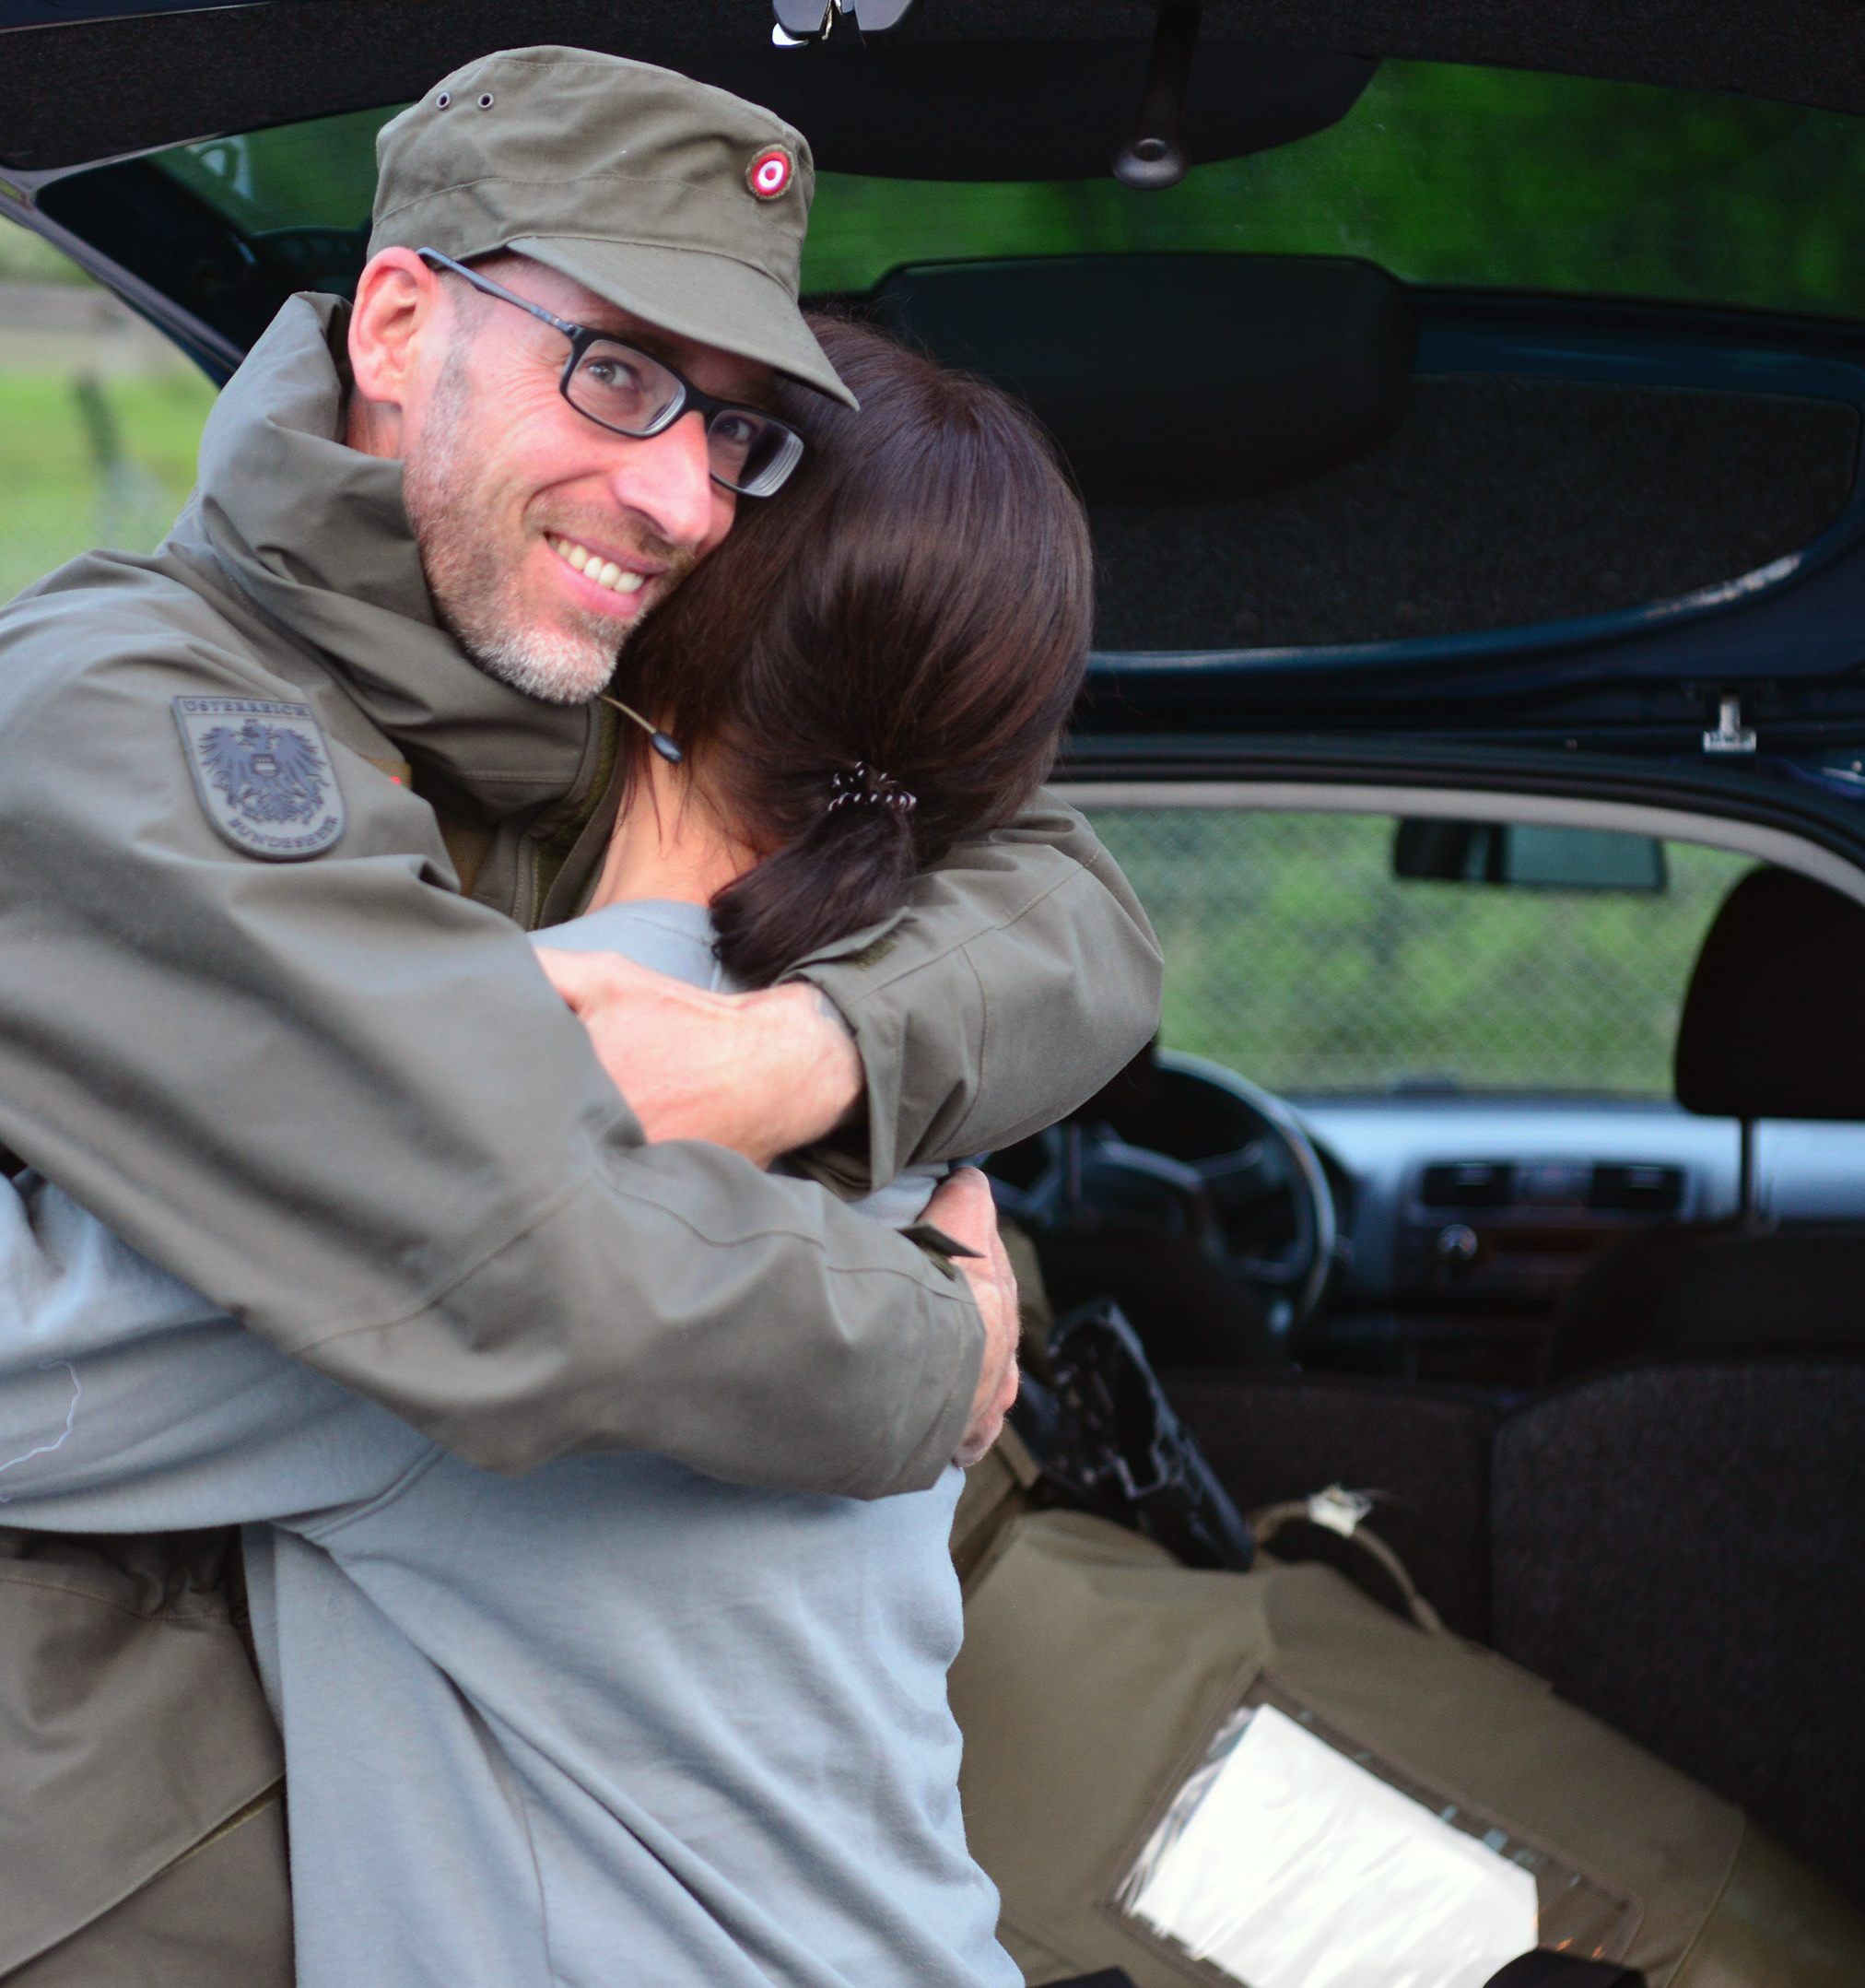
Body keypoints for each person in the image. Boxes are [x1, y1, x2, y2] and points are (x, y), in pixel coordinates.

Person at [0, 318, 1093, 1985]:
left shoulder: (488, 1137)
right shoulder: (889, 1099)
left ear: (658, 619)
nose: (666, 490)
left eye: (726, 465)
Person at [0, 47, 1158, 1512]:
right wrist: (943, 1343)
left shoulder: (595, 646)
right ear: (403, 326)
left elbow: (1070, 902)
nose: (682, 499)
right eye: (615, 372)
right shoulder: (115, 712)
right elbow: (507, 1250)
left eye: (733, 428)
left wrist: (804, 1052)